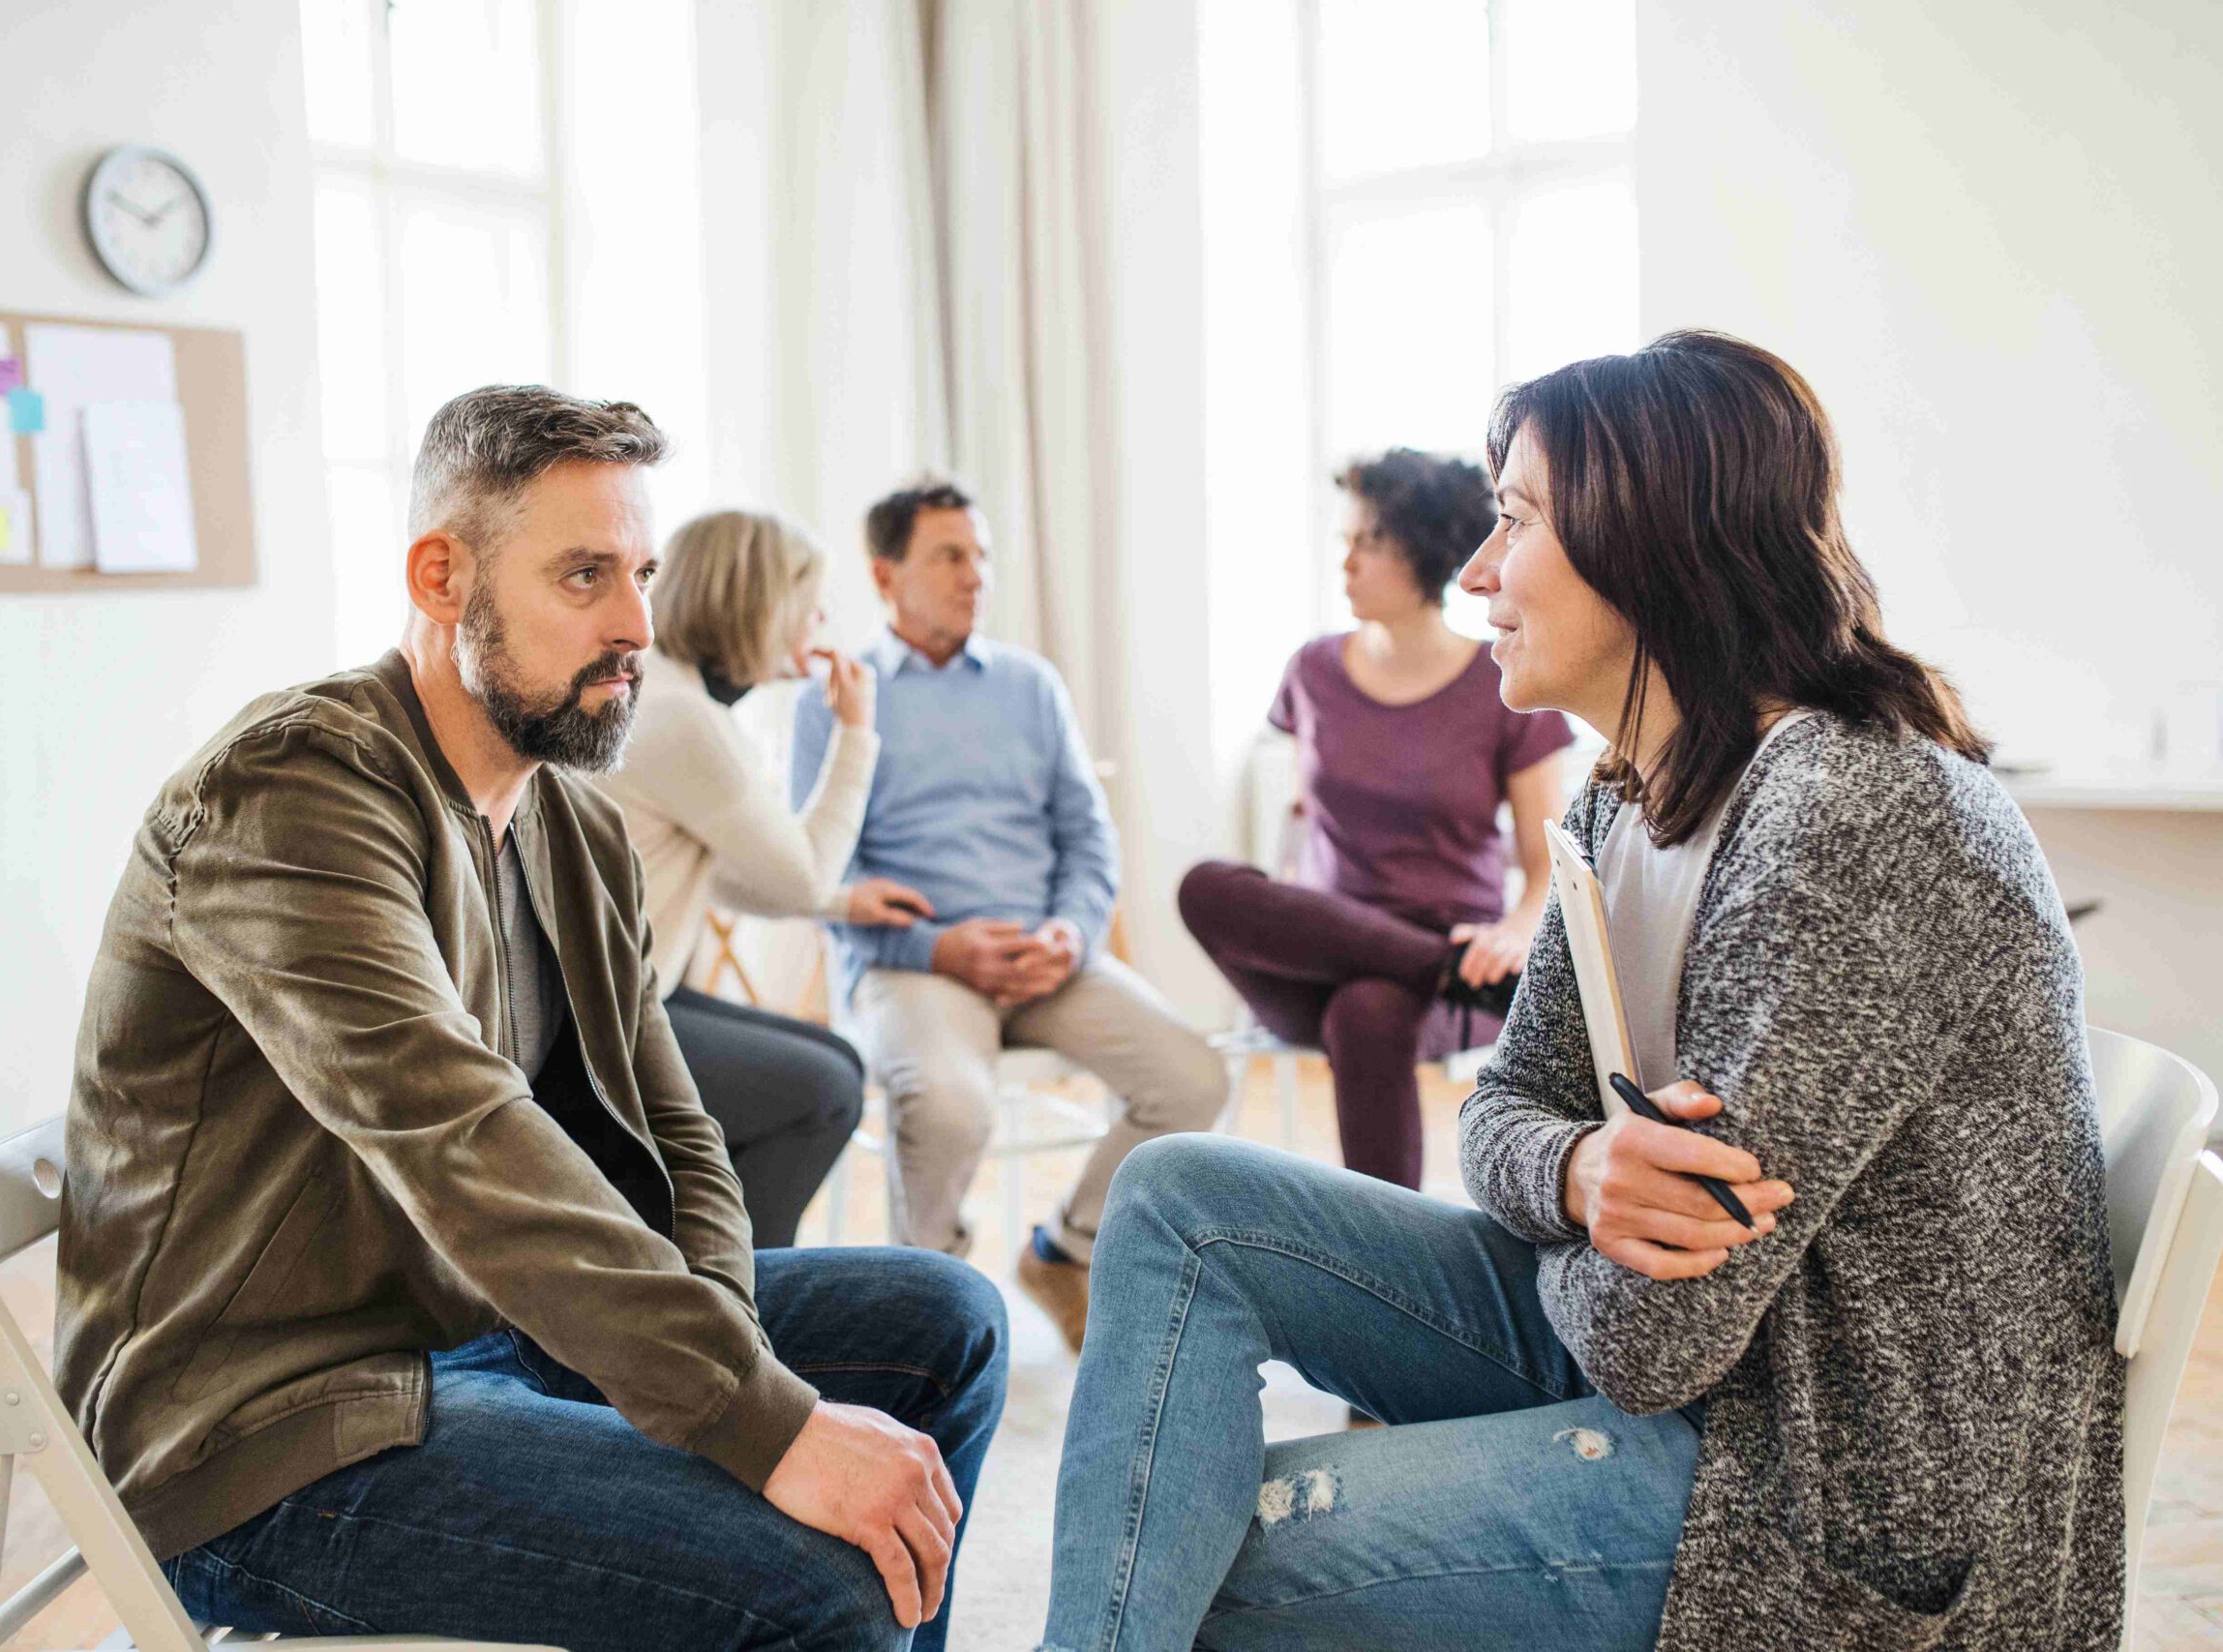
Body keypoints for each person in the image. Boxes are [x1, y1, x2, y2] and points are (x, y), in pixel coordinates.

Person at [1039, 333, 2121, 1651]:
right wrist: (1575, 1172)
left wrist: (1567, 1191)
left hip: (1815, 1506)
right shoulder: (1632, 795)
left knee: (1202, 1542)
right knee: (1177, 1197)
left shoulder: (1849, 818)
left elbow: (1655, 1341)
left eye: (1515, 520)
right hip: (1714, 1387)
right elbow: (1502, 1110)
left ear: (1651, 542)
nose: (1476, 572)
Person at [56, 387, 1006, 1652]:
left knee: (947, 1320)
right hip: (269, 1429)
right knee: (817, 1585)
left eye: (641, 574)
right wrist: (761, 1424)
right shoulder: (291, 794)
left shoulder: (568, 821)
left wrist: (735, 1366)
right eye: (582, 576)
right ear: (441, 578)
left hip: (485, 1334)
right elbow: (463, 1138)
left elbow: (677, 1132)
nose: (635, 626)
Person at [794, 478, 1229, 1352]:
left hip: (1045, 956)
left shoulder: (1030, 685)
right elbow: (819, 872)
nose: (976, 575)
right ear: (885, 575)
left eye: (982, 556)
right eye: (949, 556)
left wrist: (1070, 930)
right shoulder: (834, 699)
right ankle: (926, 1306)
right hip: (918, 964)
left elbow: (1088, 836)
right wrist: (938, 946)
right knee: (952, 1106)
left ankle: (1064, 1249)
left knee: (1195, 1077)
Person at [1179, 448, 1572, 1189]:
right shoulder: (1312, 670)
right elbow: (1301, 820)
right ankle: (1435, 967)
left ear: (1424, 551)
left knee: (1369, 1010)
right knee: (1204, 884)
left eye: (1369, 541)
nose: (1347, 561)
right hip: (1324, 946)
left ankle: (1381, 1245)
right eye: (1346, 540)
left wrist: (1517, 933)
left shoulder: (1504, 682)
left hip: (1453, 959)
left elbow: (1545, 862)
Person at [597, 508, 936, 1247]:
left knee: (838, 1060)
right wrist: (856, 732)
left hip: (630, 992)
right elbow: (800, 879)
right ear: (760, 605)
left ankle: (710, 1257)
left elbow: (711, 869)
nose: (821, 621)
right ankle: (748, 1288)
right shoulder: (685, 718)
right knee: (824, 1090)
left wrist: (844, 901)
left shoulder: (661, 693)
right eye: (809, 603)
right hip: (603, 1022)